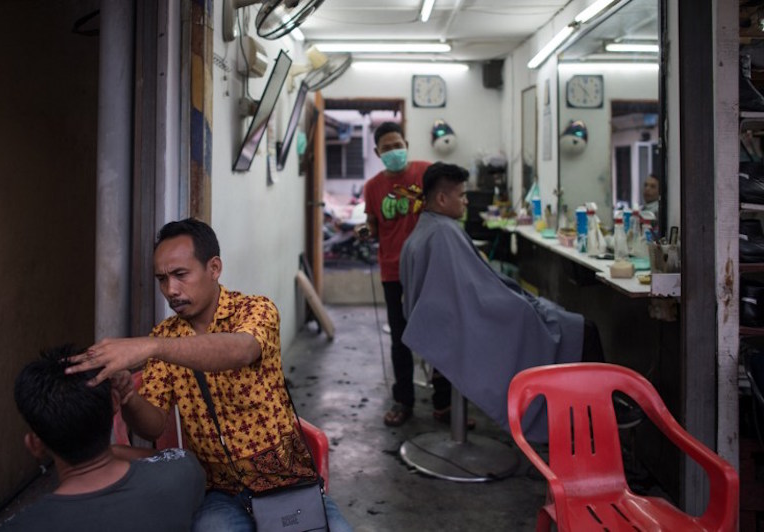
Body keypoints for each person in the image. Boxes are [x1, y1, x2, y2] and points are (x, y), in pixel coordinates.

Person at [66, 218, 351, 532]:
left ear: (213, 268)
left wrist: (151, 347)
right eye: (162, 279)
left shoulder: (255, 310)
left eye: (180, 275)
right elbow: (154, 425)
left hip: (283, 481)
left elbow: (240, 350)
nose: (170, 290)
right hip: (219, 491)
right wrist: (129, 396)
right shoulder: (165, 336)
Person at [400, 163, 608, 442]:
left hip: (446, 325)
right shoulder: (443, 234)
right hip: (466, 326)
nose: (466, 201)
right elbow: (473, 298)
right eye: (462, 195)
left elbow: (467, 289)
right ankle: (591, 427)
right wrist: (520, 304)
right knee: (583, 330)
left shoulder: (431, 228)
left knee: (550, 313)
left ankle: (583, 419)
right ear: (441, 199)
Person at [2, 345, 205, 531]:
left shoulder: (20, 525)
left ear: (35, 445)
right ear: (115, 403)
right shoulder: (182, 473)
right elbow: (173, 456)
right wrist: (111, 450)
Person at [361, 121, 454, 427]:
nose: (394, 152)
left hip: (431, 268)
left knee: (441, 334)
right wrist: (366, 231)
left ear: (407, 144)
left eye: (398, 145)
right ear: (377, 152)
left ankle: (444, 404)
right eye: (387, 148)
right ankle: (403, 401)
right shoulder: (372, 187)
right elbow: (374, 225)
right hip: (393, 270)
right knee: (401, 339)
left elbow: (449, 201)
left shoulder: (426, 173)